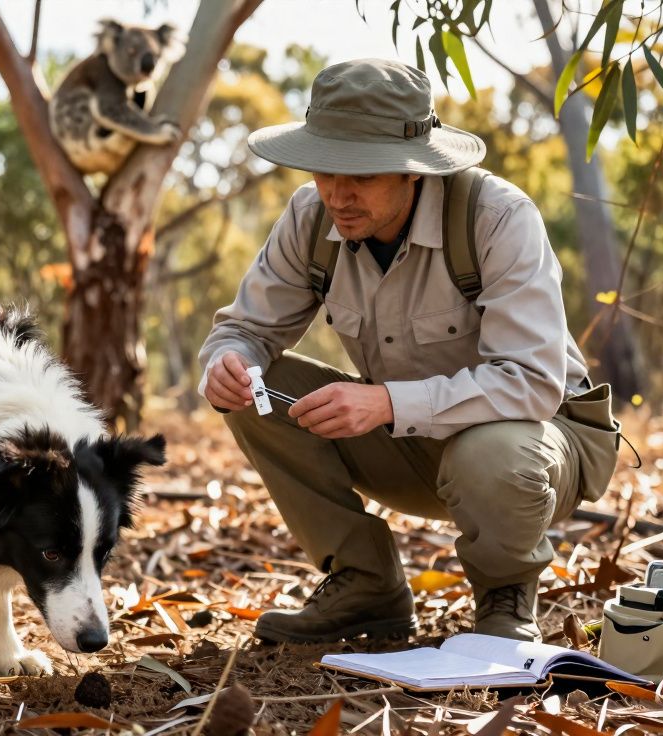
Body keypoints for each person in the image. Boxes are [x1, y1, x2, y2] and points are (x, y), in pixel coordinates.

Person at [198, 58, 620, 643]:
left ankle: (504, 595)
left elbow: (532, 383)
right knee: (255, 391)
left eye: (362, 175)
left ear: (414, 171)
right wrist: (228, 362)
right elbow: (243, 328)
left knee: (494, 452)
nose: (337, 195)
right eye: (324, 169)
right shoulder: (309, 216)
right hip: (411, 450)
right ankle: (365, 585)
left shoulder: (496, 217)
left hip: (537, 446)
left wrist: (387, 403)